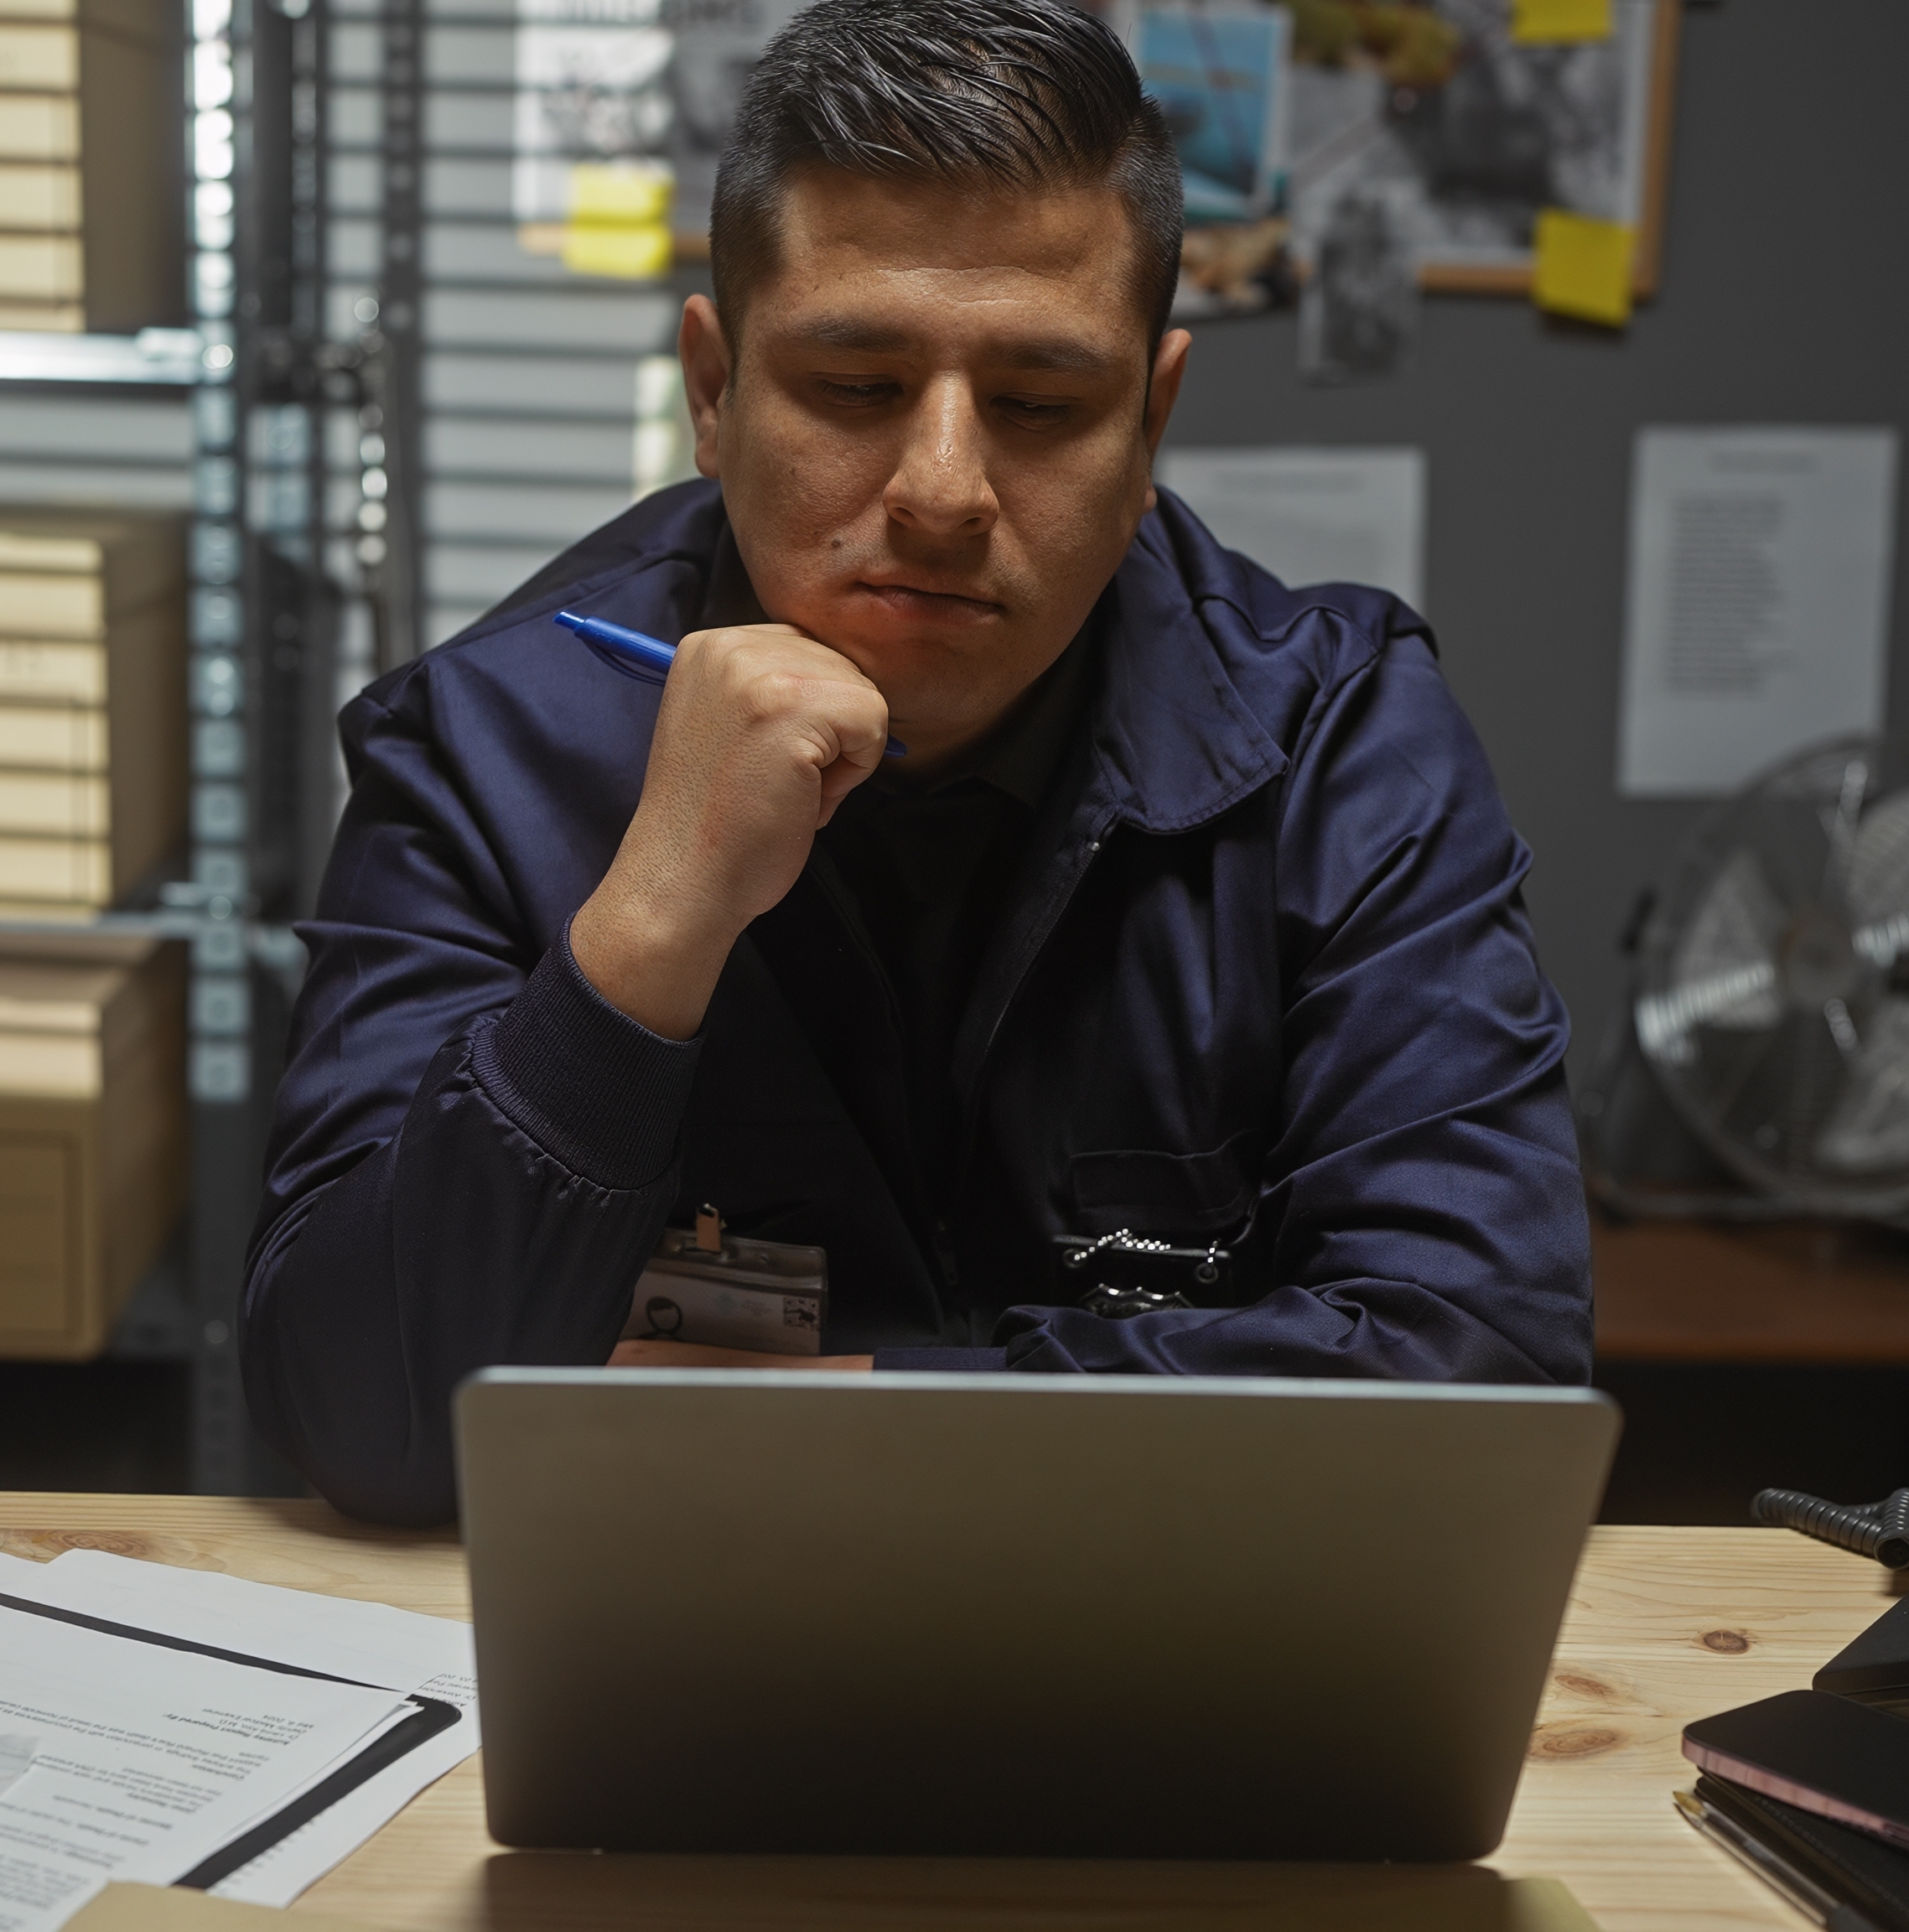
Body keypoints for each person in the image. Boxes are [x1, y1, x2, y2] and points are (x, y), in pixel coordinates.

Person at [247, 0, 1590, 1526]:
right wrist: (647, 930)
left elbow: (1484, 1371)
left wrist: (847, 1416)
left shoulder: (1337, 740)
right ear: (714, 389)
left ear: (1149, 423)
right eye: (857, 386)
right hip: (662, 1653)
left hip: (1173, 1661)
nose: (944, 491)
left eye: (1038, 404)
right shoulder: (489, 746)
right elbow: (358, 1414)